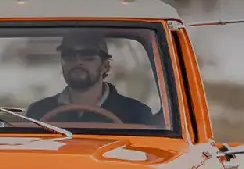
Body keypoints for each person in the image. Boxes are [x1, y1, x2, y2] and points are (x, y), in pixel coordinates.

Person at [25, 32, 156, 125]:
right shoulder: (38, 111)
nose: (78, 62)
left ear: (105, 65)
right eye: (69, 56)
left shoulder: (136, 113)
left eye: (88, 56)